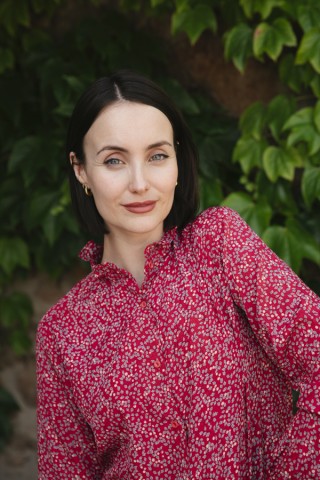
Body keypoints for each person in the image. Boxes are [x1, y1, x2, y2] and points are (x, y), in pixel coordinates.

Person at [36, 70, 320, 479]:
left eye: (156, 156)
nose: (140, 183)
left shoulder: (219, 246)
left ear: (177, 162)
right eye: (114, 160)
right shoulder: (63, 331)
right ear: (80, 170)